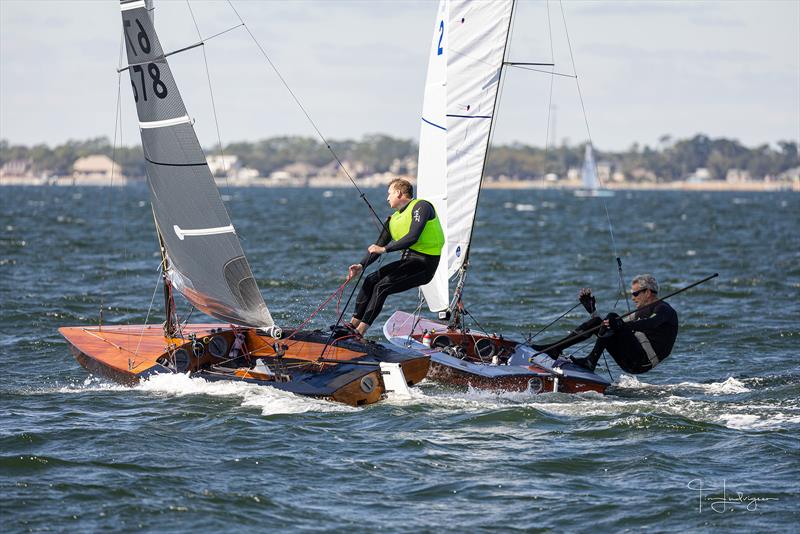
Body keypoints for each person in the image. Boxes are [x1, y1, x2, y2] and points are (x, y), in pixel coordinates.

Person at [343, 178, 444, 336]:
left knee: (382, 287)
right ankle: (351, 325)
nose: (387, 198)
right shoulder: (393, 220)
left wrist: (385, 249)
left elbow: (413, 237)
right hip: (408, 262)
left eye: (389, 193)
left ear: (398, 193)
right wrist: (361, 265)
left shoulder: (421, 206)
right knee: (370, 280)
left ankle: (359, 332)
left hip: (424, 265)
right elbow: (378, 246)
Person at [534, 274, 679, 374]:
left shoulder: (664, 309)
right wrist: (592, 311)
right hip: (629, 359)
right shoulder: (640, 312)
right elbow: (608, 326)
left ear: (647, 292)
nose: (633, 298)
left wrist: (620, 324)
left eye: (635, 294)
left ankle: (591, 361)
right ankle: (555, 349)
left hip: (642, 361)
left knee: (613, 318)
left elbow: (652, 323)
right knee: (602, 321)